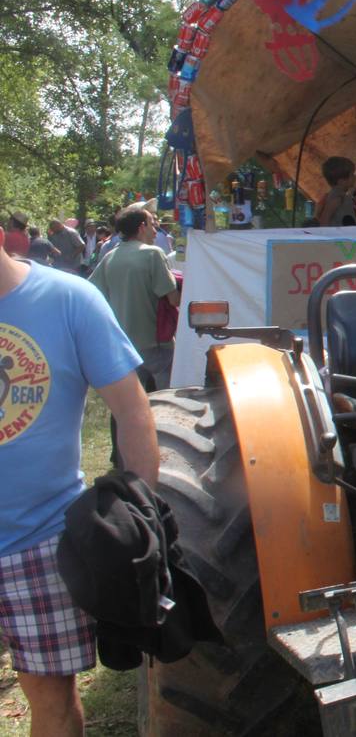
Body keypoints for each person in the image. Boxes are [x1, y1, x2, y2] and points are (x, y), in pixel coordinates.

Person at [0, 238, 159, 737]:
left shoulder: (68, 300)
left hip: (39, 542)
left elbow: (132, 411)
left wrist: (143, 519)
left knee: (49, 695)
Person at [89, 206, 180, 393]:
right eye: (152, 225)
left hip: (123, 346)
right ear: (141, 227)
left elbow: (92, 294)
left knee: (130, 402)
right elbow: (173, 299)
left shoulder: (110, 256)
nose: (155, 231)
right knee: (167, 400)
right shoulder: (153, 254)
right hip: (156, 345)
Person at [316, 155, 356, 227]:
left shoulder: (343, 196)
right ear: (341, 181)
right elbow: (324, 221)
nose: (354, 177)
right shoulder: (337, 198)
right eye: (351, 175)